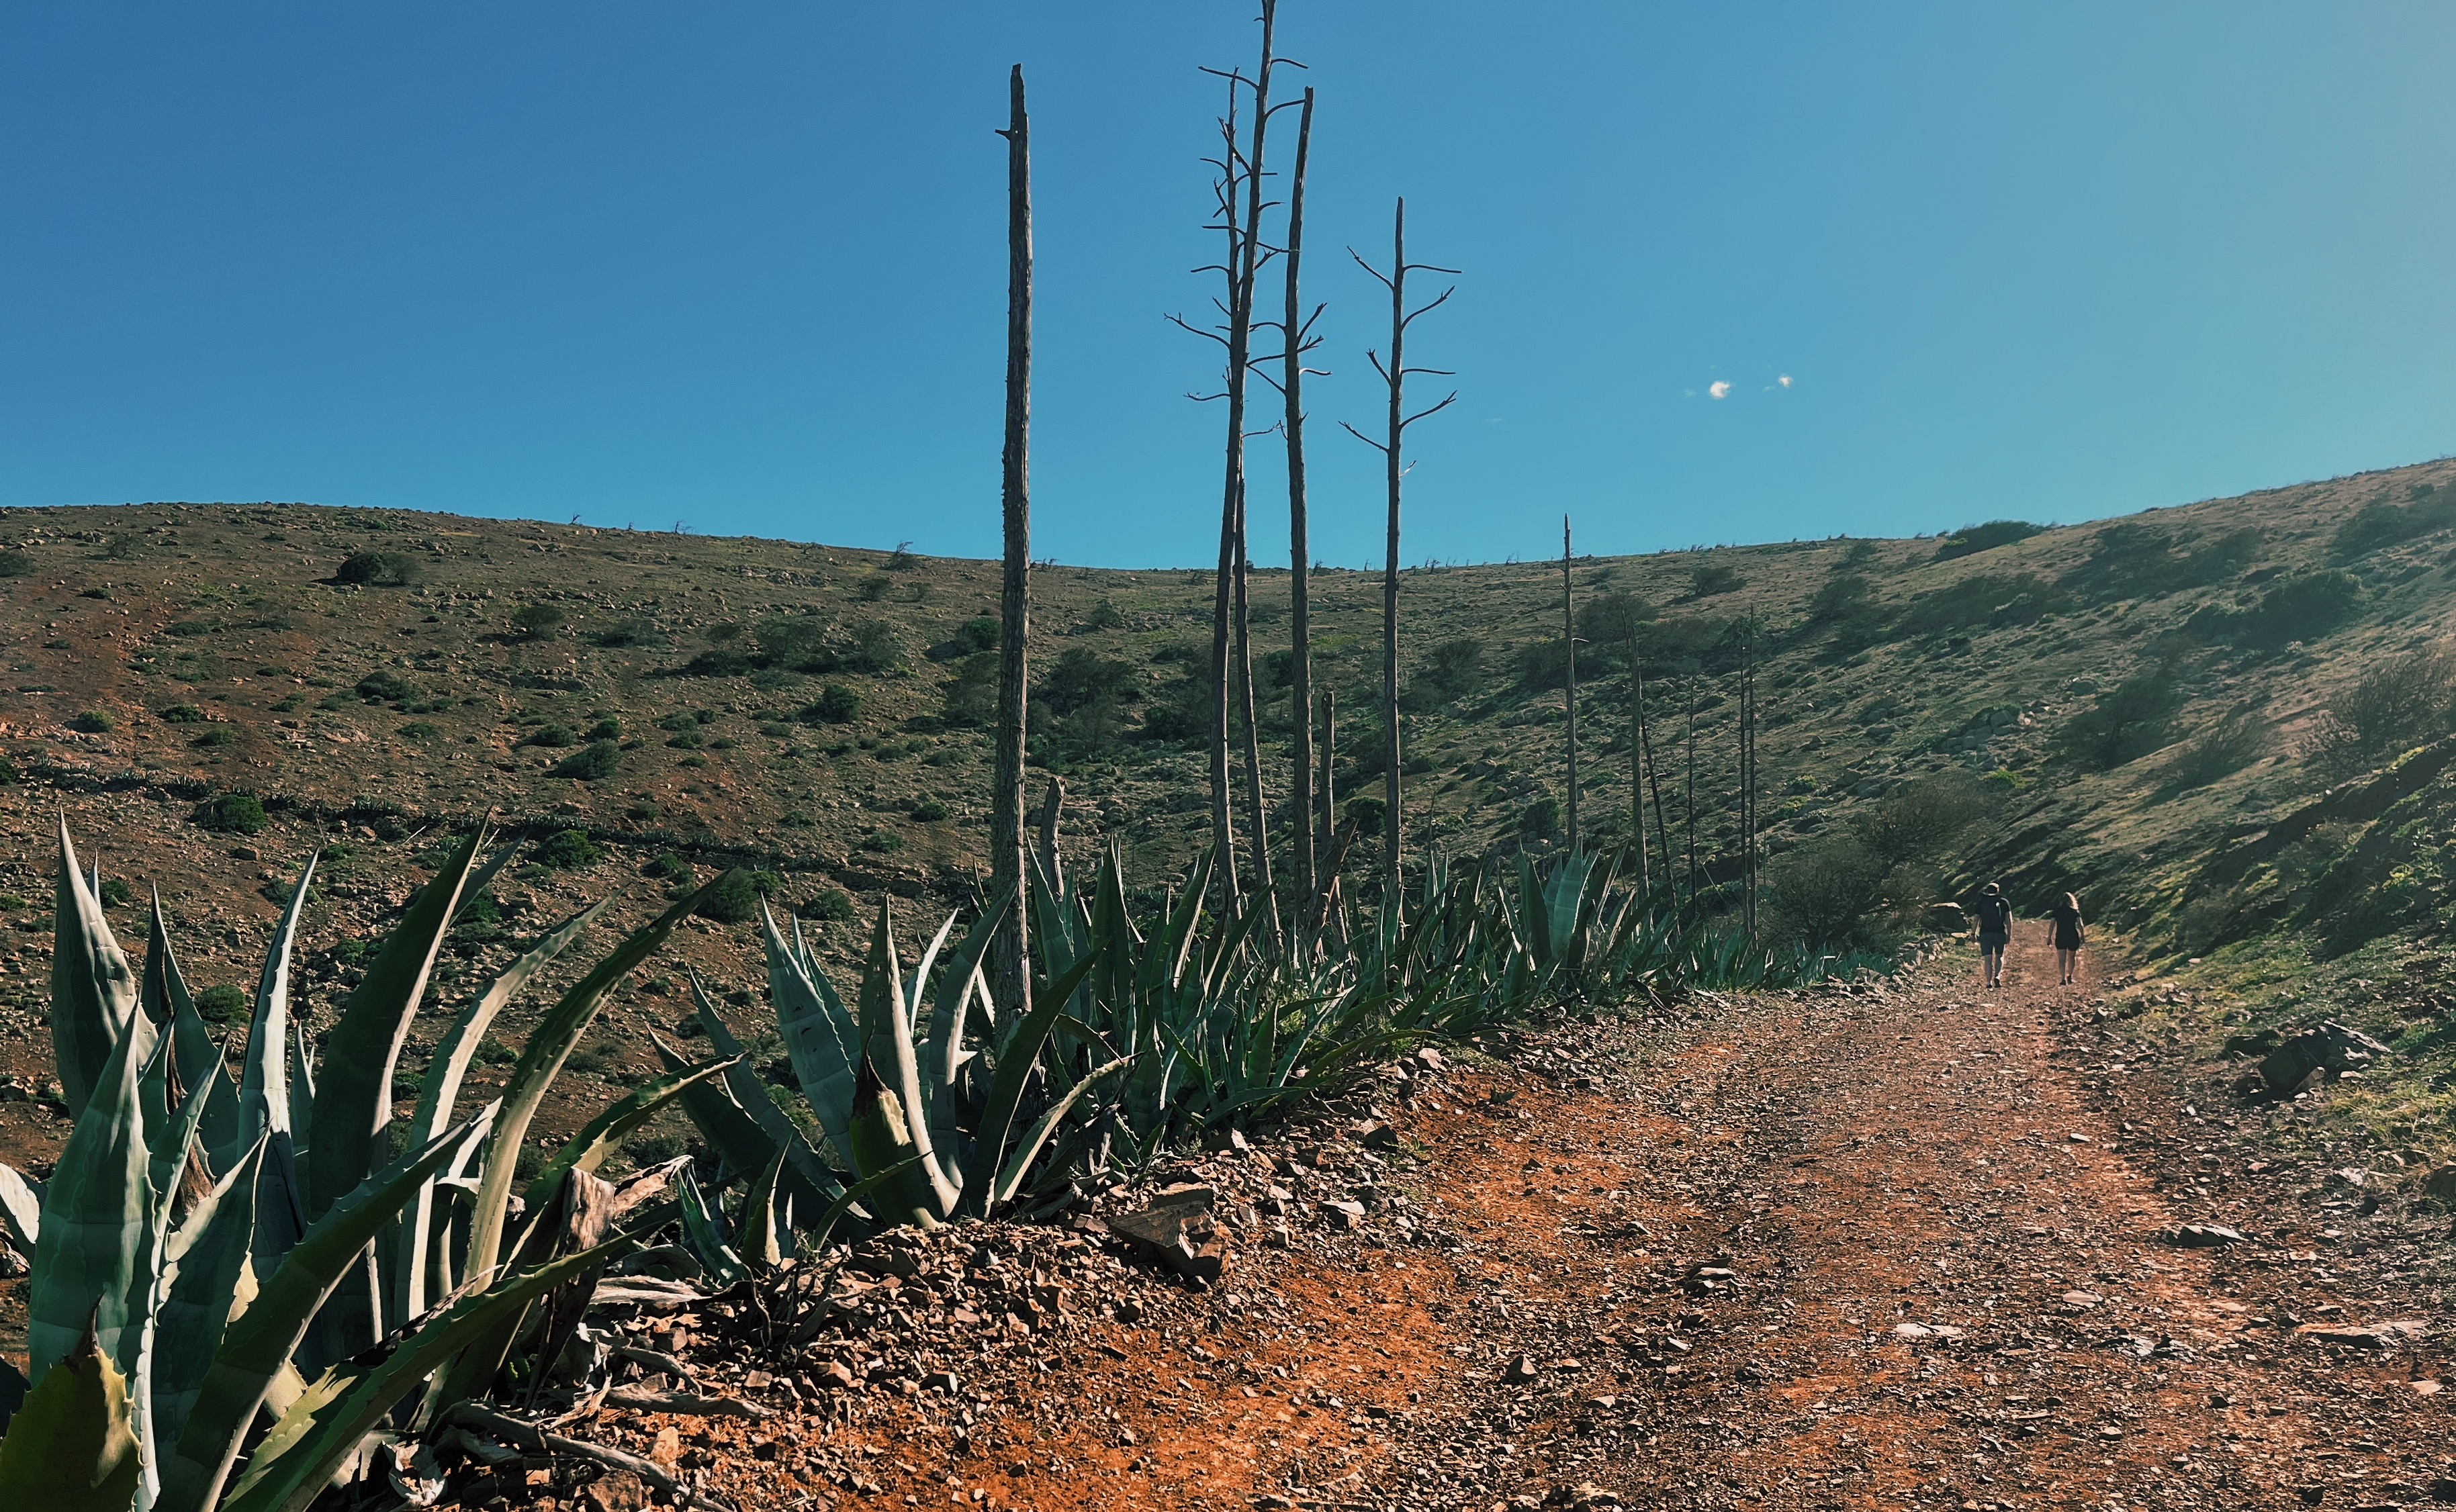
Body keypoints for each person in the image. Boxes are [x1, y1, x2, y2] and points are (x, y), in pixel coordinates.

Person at [1972, 882, 2013, 988]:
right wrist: (2009, 934)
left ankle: (1988, 982)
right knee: (1999, 955)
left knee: (1988, 958)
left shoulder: (1981, 902)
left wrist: (1973, 933)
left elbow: (1976, 919)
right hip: (1999, 932)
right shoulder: (2004, 902)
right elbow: (2009, 920)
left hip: (1985, 933)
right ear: (1998, 890)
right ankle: (1998, 976)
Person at [2048, 891, 2085, 985]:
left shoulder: (2057, 912)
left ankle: (2062, 979)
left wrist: (2049, 937)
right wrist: (2082, 936)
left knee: (2061, 959)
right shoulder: (2075, 912)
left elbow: (2052, 925)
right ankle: (2070, 976)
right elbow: (2080, 925)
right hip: (2072, 936)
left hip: (2061, 936)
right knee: (2072, 957)